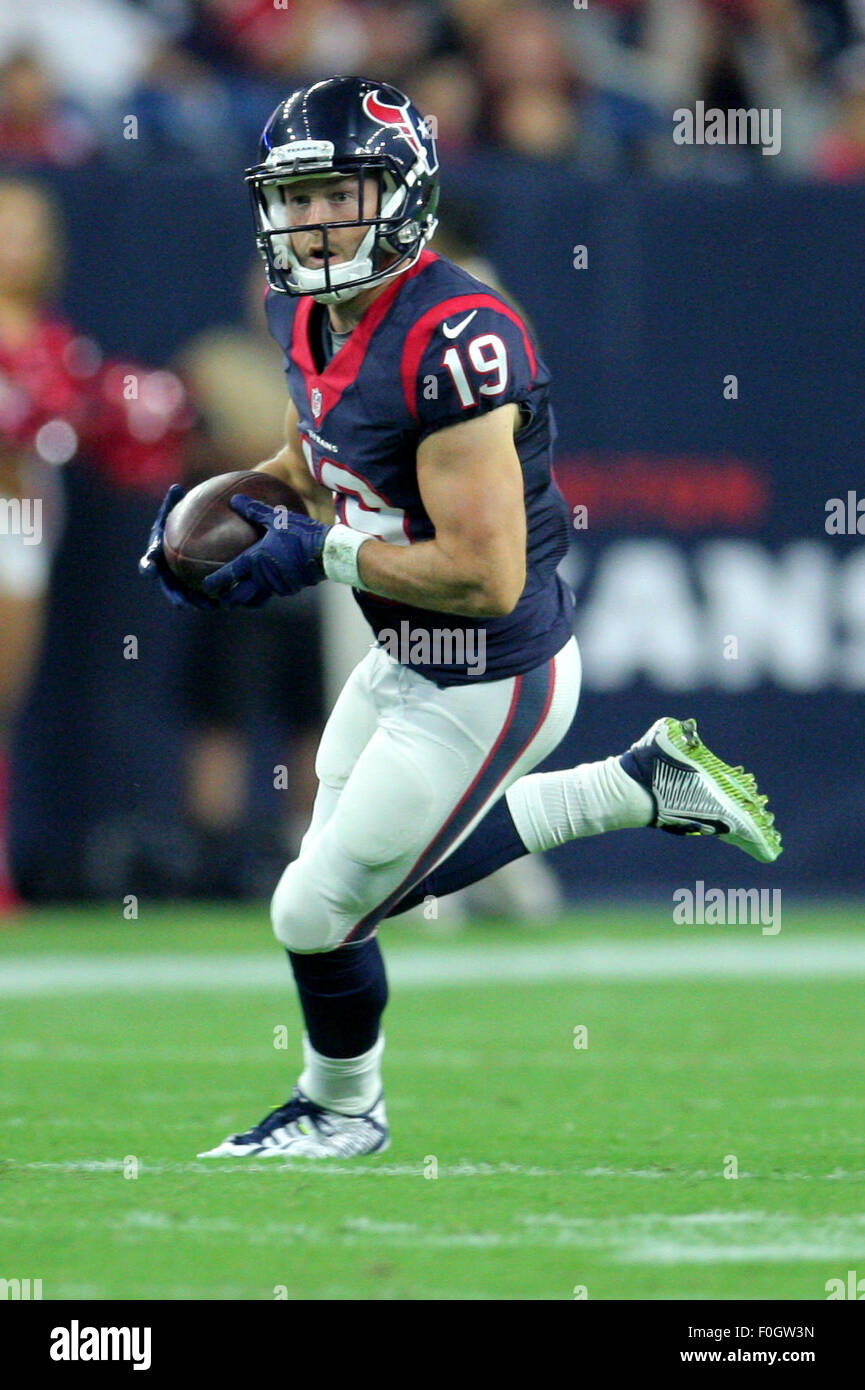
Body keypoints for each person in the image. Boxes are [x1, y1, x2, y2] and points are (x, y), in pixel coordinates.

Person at [140, 75, 781, 1159]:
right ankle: (635, 786)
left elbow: (486, 574)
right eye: (293, 200)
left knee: (316, 910)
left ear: (403, 192)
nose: (310, 223)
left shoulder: (458, 335)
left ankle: (343, 1112)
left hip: (491, 669)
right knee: (334, 891)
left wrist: (328, 551)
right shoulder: (302, 311)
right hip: (402, 656)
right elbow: (318, 455)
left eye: (337, 195)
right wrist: (241, 506)